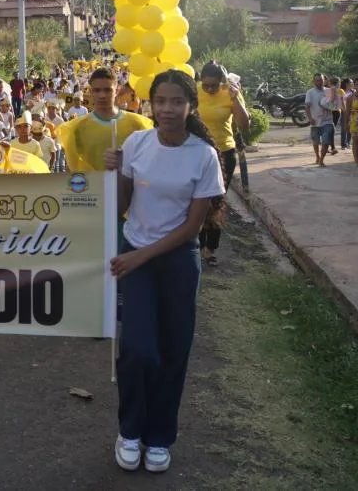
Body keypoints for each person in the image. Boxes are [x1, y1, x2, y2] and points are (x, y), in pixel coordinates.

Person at [103, 69, 225, 474]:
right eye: (161, 101)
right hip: (134, 256)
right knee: (139, 349)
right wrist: (114, 173)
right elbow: (122, 203)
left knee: (173, 351)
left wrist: (140, 256)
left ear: (190, 106)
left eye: (177, 102)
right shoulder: (137, 142)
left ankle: (159, 437)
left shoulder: (203, 156)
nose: (168, 109)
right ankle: (130, 431)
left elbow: (193, 226)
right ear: (150, 104)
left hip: (176, 261)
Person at [196, 62, 250, 266]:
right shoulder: (194, 92)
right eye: (205, 85)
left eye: (214, 86)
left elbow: (244, 124)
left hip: (224, 154)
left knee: (216, 201)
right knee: (197, 199)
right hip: (197, 153)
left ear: (222, 82)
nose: (209, 90)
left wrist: (236, 98)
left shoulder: (230, 93)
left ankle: (211, 248)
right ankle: (197, 244)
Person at [59, 68, 153, 173]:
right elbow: (72, 169)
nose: (102, 95)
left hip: (128, 187)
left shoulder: (137, 124)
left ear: (117, 90)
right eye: (97, 90)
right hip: (93, 187)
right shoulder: (77, 128)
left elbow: (148, 164)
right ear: (90, 91)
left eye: (107, 90)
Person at [304, 73, 336, 167]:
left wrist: (332, 105)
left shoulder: (329, 91)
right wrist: (310, 118)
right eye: (317, 80)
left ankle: (321, 160)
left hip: (327, 121)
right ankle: (317, 156)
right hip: (315, 121)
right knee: (316, 142)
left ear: (324, 80)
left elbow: (334, 104)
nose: (319, 82)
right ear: (314, 81)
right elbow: (307, 107)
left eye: (321, 80)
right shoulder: (310, 92)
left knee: (326, 141)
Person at [340, 78, 354, 150]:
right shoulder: (342, 91)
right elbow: (340, 102)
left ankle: (348, 142)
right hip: (344, 112)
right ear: (346, 84)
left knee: (350, 128)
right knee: (344, 128)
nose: (352, 84)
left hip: (352, 112)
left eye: (352, 82)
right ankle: (343, 144)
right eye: (350, 82)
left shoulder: (353, 91)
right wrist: (345, 111)